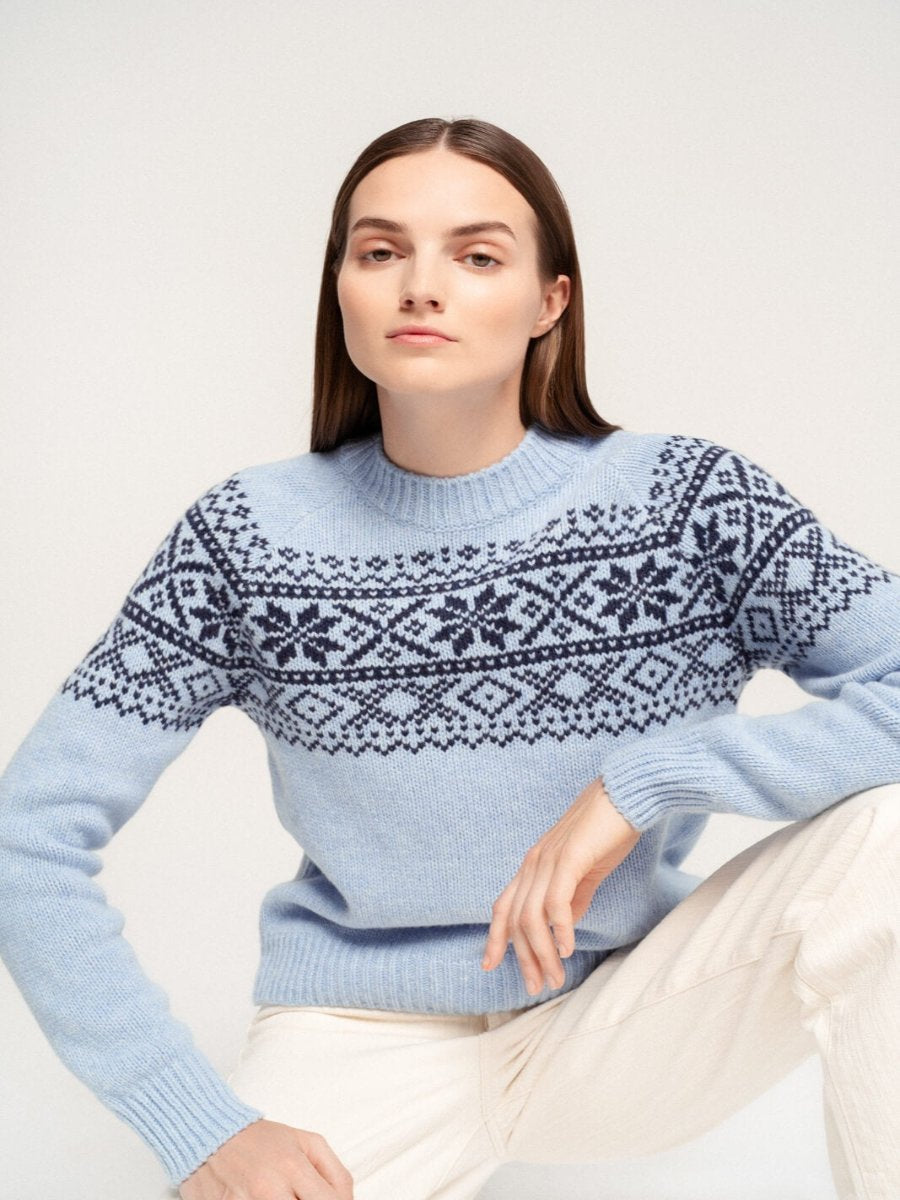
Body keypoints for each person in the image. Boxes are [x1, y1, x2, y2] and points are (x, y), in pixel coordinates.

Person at [0, 116, 898, 1200]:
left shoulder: (688, 502)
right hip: (358, 1036)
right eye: (381, 252)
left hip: (627, 1011)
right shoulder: (245, 537)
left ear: (549, 301)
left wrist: (648, 781)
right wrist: (195, 1123)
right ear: (342, 289)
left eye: (477, 256)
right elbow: (29, 834)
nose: (422, 286)